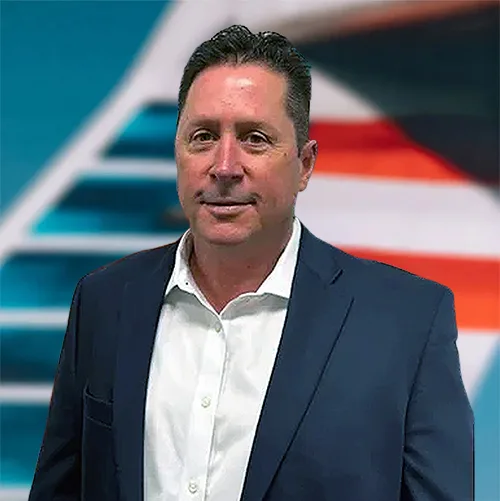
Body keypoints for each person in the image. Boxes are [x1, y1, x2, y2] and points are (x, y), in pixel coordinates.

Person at [29, 25, 473, 501]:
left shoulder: (406, 323)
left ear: (305, 164)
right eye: (202, 137)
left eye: (254, 138)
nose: (224, 166)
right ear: (177, 152)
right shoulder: (104, 301)